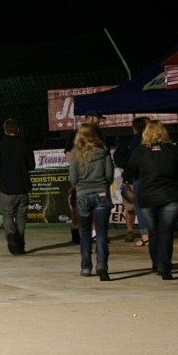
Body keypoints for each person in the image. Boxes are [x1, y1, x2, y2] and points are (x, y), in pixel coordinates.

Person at [127, 120, 178, 280]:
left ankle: (156, 264)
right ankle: (165, 266)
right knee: (166, 231)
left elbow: (130, 171)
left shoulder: (140, 151)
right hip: (170, 194)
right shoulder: (173, 150)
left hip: (147, 195)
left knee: (153, 231)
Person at [68, 121, 113, 281]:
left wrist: (80, 186)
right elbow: (109, 176)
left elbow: (73, 179)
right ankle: (102, 265)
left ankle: (86, 266)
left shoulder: (75, 153)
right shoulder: (103, 151)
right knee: (101, 232)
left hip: (83, 195)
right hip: (101, 193)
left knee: (85, 232)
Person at [0, 118, 35, 255]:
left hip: (6, 187)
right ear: (18, 130)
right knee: (21, 216)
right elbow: (31, 166)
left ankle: (10, 235)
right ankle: (20, 244)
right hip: (22, 186)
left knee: (7, 214)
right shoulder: (25, 145)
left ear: (5, 130)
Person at [64, 109, 106, 244]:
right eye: (98, 118)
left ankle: (94, 232)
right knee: (78, 203)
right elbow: (68, 152)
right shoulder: (75, 134)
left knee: (95, 203)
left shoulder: (99, 134)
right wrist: (78, 167)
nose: (100, 121)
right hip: (82, 175)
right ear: (90, 118)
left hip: (96, 176)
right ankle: (76, 229)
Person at [112, 116, 150, 245]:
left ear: (134, 127)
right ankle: (134, 232)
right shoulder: (133, 141)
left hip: (134, 179)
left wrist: (127, 167)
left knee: (132, 208)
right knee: (133, 207)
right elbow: (118, 156)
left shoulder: (142, 141)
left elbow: (117, 157)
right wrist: (128, 166)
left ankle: (138, 232)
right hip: (137, 179)